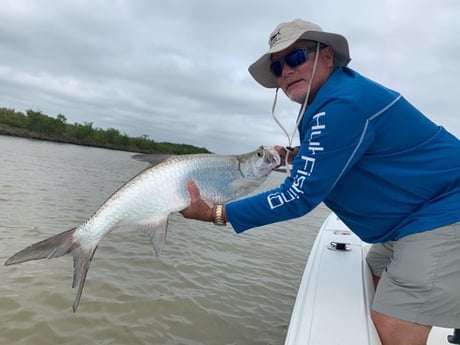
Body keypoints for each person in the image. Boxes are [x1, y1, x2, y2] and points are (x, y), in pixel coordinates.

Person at [180, 18, 460, 345]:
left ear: (327, 56)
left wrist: (216, 213)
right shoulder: (337, 97)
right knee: (371, 271)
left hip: (444, 208)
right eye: (277, 66)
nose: (285, 71)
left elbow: (298, 195)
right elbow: (347, 153)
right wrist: (292, 156)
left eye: (296, 57)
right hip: (411, 215)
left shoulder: (342, 104)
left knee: (393, 321)